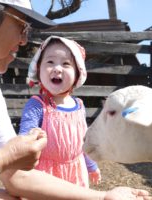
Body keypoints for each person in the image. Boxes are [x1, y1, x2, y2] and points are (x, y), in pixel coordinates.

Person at [0, 0, 152, 199]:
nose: (24, 40)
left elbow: (17, 176)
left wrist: (103, 197)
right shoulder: (30, 104)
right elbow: (8, 159)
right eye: (22, 27)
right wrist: (2, 158)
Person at [19, 36, 101, 187]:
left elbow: (83, 140)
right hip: (45, 176)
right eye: (50, 62)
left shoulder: (79, 105)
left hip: (76, 173)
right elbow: (26, 135)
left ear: (78, 73)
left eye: (66, 64)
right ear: (38, 69)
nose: (57, 68)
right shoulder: (37, 105)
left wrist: (92, 166)